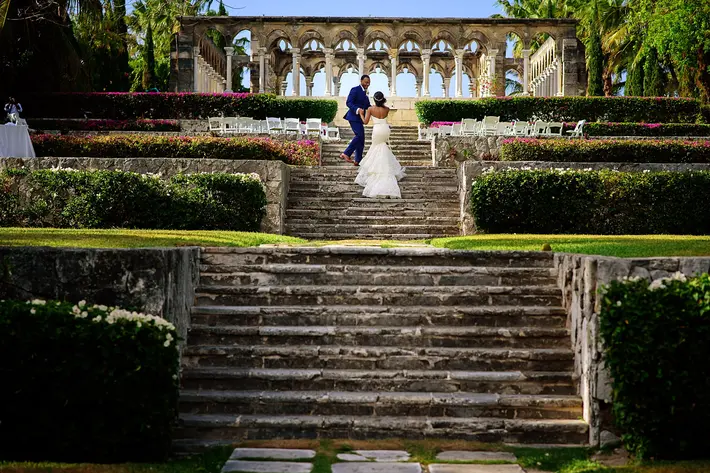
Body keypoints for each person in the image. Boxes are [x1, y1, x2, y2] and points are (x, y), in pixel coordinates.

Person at [354, 91, 406, 198]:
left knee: (376, 148)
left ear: (374, 99)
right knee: (383, 147)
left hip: (377, 129)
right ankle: (385, 166)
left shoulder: (370, 109)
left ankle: (377, 169)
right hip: (385, 129)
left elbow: (365, 122)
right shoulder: (386, 109)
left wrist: (361, 114)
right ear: (383, 99)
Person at [340, 75, 371, 166]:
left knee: (361, 139)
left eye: (369, 83)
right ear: (361, 81)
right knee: (359, 135)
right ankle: (346, 153)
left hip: (359, 119)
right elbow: (349, 102)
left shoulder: (365, 95)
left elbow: (368, 106)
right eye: (366, 82)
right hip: (353, 117)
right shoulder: (355, 89)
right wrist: (357, 109)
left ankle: (358, 160)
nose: (367, 84)